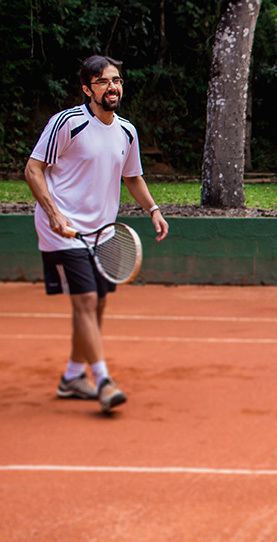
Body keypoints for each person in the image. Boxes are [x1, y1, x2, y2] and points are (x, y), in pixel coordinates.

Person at [25, 55, 169, 413]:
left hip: (103, 232)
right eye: (103, 82)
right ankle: (103, 381)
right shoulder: (68, 123)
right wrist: (54, 214)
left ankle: (73, 376)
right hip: (64, 230)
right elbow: (33, 169)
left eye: (116, 80)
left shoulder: (127, 131)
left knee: (97, 304)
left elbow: (132, 176)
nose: (113, 87)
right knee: (86, 302)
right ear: (87, 88)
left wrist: (153, 210)